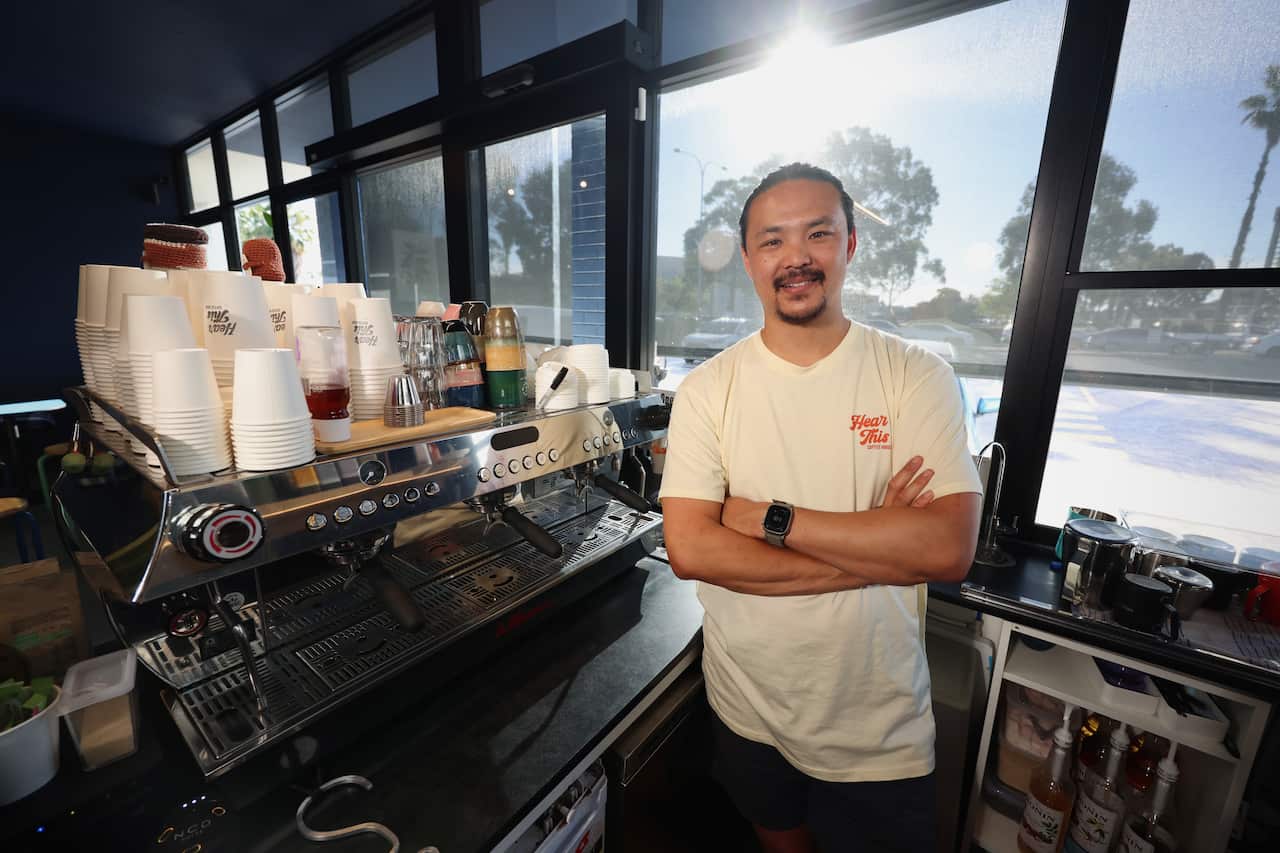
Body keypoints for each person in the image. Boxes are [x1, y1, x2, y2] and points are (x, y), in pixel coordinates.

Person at [659, 162, 983, 853]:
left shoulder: (916, 374)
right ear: (747, 260)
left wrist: (769, 519)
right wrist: (878, 553)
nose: (796, 256)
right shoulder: (708, 390)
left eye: (817, 234)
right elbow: (691, 549)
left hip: (877, 728)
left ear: (850, 245)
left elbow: (946, 549)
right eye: (772, 240)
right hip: (749, 707)